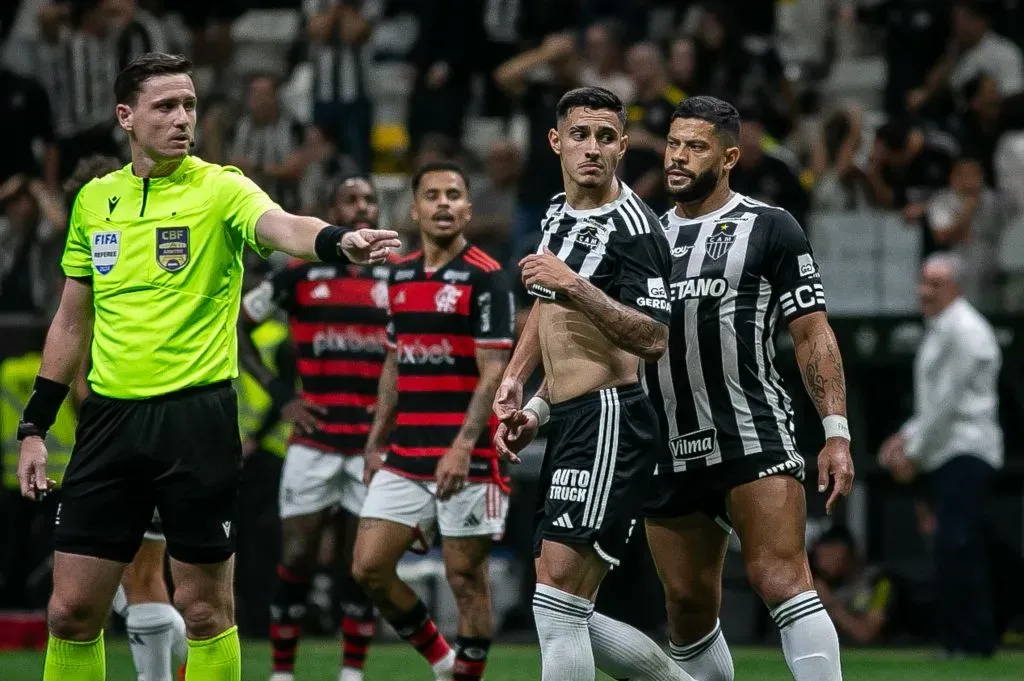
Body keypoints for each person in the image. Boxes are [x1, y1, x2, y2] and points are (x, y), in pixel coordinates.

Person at [14, 52, 400, 681]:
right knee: (71, 611)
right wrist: (35, 426)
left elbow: (283, 226)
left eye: (189, 105)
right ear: (126, 118)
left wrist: (337, 240)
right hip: (109, 424)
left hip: (196, 420)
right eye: (165, 106)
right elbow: (70, 321)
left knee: (204, 609)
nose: (182, 118)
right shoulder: (94, 200)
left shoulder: (221, 187)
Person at [641, 96, 852, 681]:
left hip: (749, 428)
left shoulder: (770, 225)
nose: (679, 157)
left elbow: (813, 334)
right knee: (685, 608)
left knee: (780, 579)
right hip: (668, 442)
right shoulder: (644, 237)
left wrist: (835, 432)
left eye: (696, 147)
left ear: (730, 157)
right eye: (674, 144)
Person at [493, 86, 693, 681]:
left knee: (556, 599)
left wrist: (575, 284)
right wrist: (521, 390)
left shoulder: (635, 228)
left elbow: (654, 338)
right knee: (561, 602)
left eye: (606, 137)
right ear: (556, 142)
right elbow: (549, 314)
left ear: (623, 147)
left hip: (612, 418)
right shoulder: (560, 210)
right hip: (571, 417)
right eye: (580, 134)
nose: (592, 148)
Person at [351, 161, 515, 681]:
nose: (444, 203)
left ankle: (466, 676)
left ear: (468, 208)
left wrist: (465, 445)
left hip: (466, 457)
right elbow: (396, 363)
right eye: (433, 195)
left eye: (454, 195)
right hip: (405, 455)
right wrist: (375, 441)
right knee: (369, 568)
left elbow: (493, 373)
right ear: (414, 208)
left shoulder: (485, 276)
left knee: (465, 578)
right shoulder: (398, 274)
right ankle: (445, 662)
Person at [238, 175, 389, 681]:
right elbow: (238, 325)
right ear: (333, 211)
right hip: (314, 443)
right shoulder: (299, 275)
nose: (362, 206)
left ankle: (352, 674)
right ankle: (283, 673)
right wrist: (282, 397)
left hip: (370, 448)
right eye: (350, 199)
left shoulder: (400, 279)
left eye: (369, 199)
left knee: (360, 566)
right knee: (298, 556)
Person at [62, 153, 189, 681]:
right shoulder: (89, 248)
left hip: (140, 426)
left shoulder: (140, 248)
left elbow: (78, 349)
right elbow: (72, 341)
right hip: (127, 429)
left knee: (137, 577)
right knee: (121, 584)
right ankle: (174, 660)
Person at [878, 252, 1003, 657]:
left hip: (965, 450)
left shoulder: (965, 331)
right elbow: (933, 406)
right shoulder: (942, 329)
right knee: (956, 544)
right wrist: (904, 437)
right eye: (923, 281)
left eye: (935, 283)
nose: (924, 291)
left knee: (957, 543)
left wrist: (911, 452)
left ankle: (972, 641)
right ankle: (963, 641)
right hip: (947, 449)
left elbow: (948, 406)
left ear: (957, 287)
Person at [811, 526, 896, 645]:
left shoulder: (879, 583)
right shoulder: (816, 584)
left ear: (848, 554)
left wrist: (830, 603)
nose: (824, 562)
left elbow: (866, 634)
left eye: (831, 555)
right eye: (820, 557)